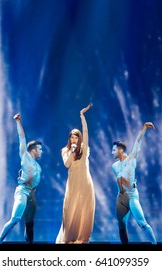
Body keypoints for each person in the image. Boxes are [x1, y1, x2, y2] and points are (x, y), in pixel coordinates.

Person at [0, 113, 43, 244]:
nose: (41, 152)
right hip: (22, 192)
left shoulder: (38, 166)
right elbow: (22, 137)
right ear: (33, 150)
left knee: (30, 224)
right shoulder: (25, 157)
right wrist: (18, 121)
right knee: (15, 219)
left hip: (31, 196)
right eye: (39, 149)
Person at [111, 122, 157, 244]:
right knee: (121, 225)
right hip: (121, 196)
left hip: (132, 195)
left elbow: (137, 142)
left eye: (114, 150)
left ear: (120, 150)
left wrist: (144, 129)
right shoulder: (114, 166)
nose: (112, 152)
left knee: (142, 223)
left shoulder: (131, 159)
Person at [56, 104, 95, 244]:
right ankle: (68, 238)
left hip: (85, 183)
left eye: (76, 138)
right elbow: (66, 164)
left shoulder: (85, 150)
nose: (74, 140)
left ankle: (82, 239)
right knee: (69, 210)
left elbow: (86, 131)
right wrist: (71, 152)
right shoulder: (65, 151)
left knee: (84, 210)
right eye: (72, 137)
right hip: (72, 184)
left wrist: (82, 115)